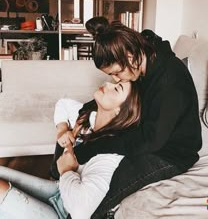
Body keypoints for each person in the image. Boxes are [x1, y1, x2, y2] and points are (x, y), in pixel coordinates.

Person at [52, 16, 202, 218]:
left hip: (171, 152)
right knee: (79, 143)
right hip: (144, 128)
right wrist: (83, 114)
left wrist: (91, 148)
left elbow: (150, 140)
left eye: (116, 73)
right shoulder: (140, 56)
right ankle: (58, 180)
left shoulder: (169, 81)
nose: (115, 79)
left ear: (131, 58)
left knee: (109, 189)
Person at [0, 81, 141, 219]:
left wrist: (66, 171)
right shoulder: (88, 119)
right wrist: (62, 129)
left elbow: (80, 213)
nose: (108, 84)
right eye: (114, 82)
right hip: (59, 191)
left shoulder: (110, 154)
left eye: (117, 89)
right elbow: (63, 104)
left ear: (120, 111)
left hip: (65, 214)